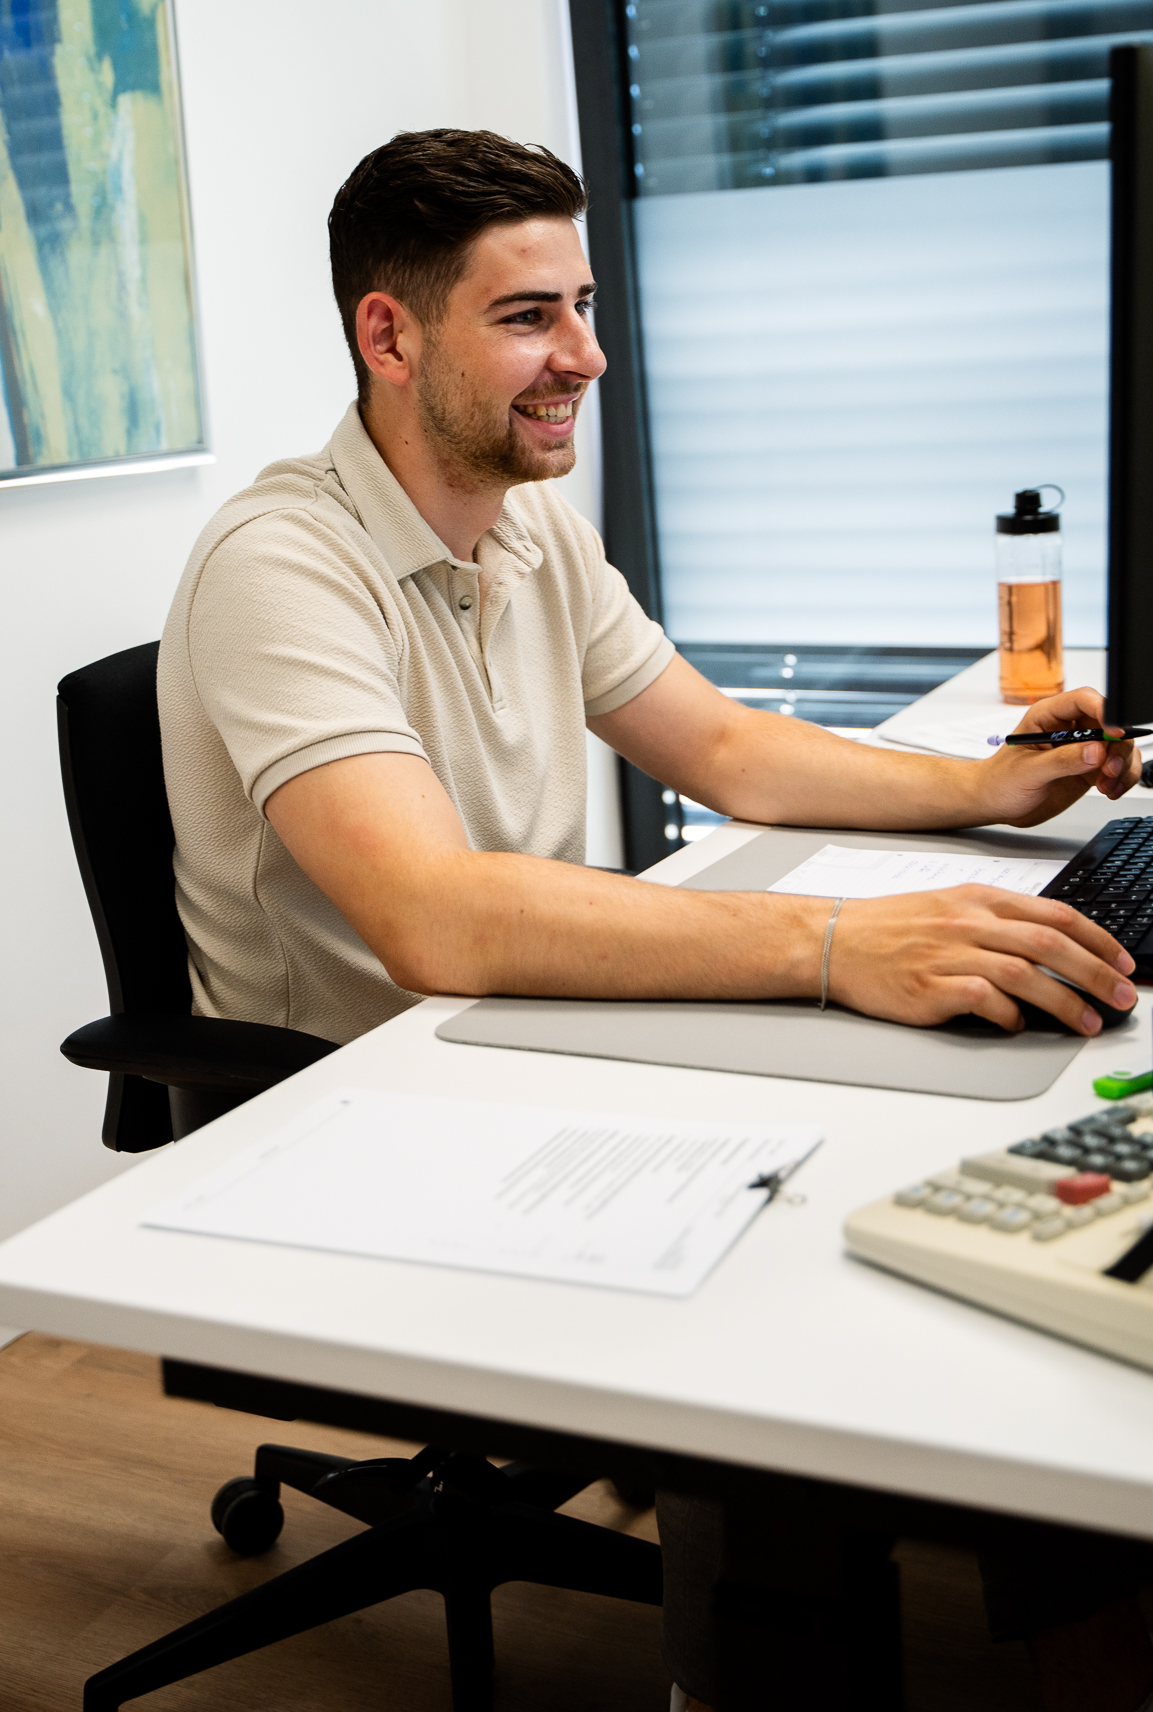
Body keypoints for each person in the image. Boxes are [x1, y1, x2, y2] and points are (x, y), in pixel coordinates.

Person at [158, 129, 1151, 1712]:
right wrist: (833, 948)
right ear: (388, 334)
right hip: (376, 1091)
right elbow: (433, 921)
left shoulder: (527, 515)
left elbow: (726, 748)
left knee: (961, 1184)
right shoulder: (280, 566)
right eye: (530, 317)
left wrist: (985, 786)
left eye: (586, 304)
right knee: (811, 1269)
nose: (588, 356)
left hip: (541, 1030)